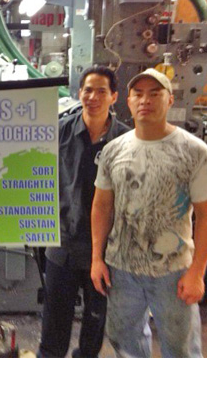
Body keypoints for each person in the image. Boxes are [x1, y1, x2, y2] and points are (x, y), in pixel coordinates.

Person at [91, 68, 207, 358]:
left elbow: (205, 215)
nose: (146, 100)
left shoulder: (194, 151)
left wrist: (197, 272)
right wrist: (97, 258)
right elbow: (101, 206)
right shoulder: (113, 150)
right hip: (122, 268)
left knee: (180, 351)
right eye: (138, 94)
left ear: (169, 101)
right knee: (124, 344)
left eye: (155, 94)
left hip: (173, 270)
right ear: (128, 102)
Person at [37, 66, 127, 358]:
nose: (93, 97)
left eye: (101, 91)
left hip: (106, 249)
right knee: (53, 326)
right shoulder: (59, 132)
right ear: (79, 94)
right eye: (88, 90)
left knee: (95, 324)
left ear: (114, 96)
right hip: (61, 242)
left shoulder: (126, 141)